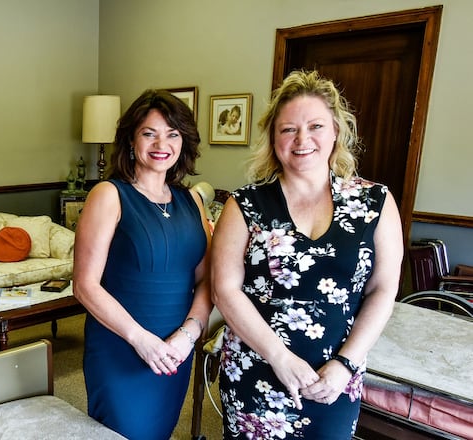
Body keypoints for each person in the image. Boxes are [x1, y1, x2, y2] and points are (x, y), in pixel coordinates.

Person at [210, 70, 403, 439]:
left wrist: (345, 364)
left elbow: (383, 290)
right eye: (288, 129)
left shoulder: (374, 202)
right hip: (256, 369)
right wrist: (279, 357)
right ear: (273, 139)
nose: (302, 139)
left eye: (315, 126)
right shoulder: (245, 204)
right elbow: (224, 290)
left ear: (336, 132)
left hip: (334, 379)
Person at [73, 89, 213, 439]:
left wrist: (189, 334)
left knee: (160, 430)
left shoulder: (192, 200)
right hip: (121, 346)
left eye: (172, 134)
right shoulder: (109, 194)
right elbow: (85, 286)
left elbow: (206, 279)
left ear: (184, 141)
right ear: (131, 140)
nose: (161, 144)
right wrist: (141, 340)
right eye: (149, 133)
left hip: (175, 350)